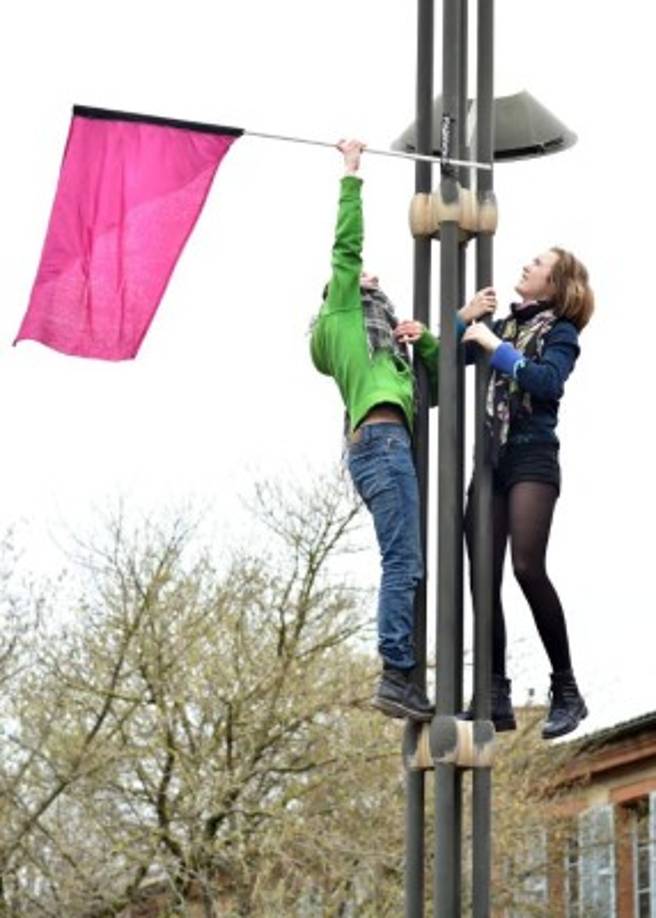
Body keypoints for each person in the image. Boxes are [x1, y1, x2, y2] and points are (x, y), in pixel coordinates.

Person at [310, 139, 495, 721]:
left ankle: (401, 674)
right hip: (382, 445)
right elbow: (346, 246)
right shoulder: (341, 316)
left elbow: (437, 389)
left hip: (391, 444)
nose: (373, 274)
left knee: (407, 560)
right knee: (404, 563)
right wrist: (351, 174)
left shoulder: (386, 348)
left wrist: (436, 335)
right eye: (366, 276)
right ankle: (396, 674)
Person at [462, 248, 594, 739]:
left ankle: (566, 689)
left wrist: (493, 345)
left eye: (537, 262)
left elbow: (547, 381)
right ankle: (493, 693)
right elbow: (453, 360)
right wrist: (464, 320)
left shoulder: (560, 332)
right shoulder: (504, 325)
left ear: (555, 283)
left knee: (525, 566)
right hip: (491, 458)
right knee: (481, 576)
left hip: (532, 454)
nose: (525, 265)